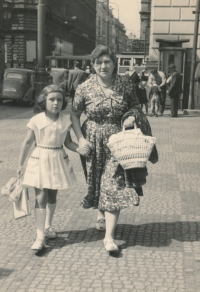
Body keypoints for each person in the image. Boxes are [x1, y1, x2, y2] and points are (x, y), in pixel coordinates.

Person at [70, 45, 158, 253]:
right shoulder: (84, 87)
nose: (103, 66)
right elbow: (74, 114)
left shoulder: (125, 84)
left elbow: (136, 106)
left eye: (107, 62)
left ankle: (109, 238)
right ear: (92, 65)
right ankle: (100, 213)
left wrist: (130, 115)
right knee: (97, 180)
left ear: (114, 64)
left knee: (114, 185)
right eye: (98, 62)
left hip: (119, 141)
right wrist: (81, 140)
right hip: (92, 139)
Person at [17, 85, 78, 251]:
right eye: (52, 99)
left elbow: (68, 143)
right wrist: (20, 164)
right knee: (41, 197)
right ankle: (39, 236)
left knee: (52, 196)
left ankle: (48, 226)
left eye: (59, 100)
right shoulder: (37, 120)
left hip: (58, 159)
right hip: (40, 159)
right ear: (44, 101)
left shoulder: (65, 120)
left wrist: (80, 149)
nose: (56, 103)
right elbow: (27, 142)